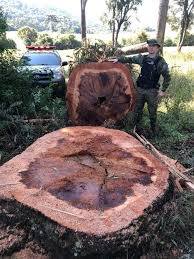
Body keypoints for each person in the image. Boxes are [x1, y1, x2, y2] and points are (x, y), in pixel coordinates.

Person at [108, 39, 171, 136]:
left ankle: (153, 132)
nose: (151, 47)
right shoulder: (142, 58)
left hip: (152, 91)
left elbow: (167, 76)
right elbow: (130, 59)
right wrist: (119, 59)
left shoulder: (160, 62)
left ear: (157, 48)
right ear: (147, 47)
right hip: (140, 90)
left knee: (152, 113)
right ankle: (133, 130)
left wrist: (163, 90)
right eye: (149, 46)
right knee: (136, 110)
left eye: (154, 46)